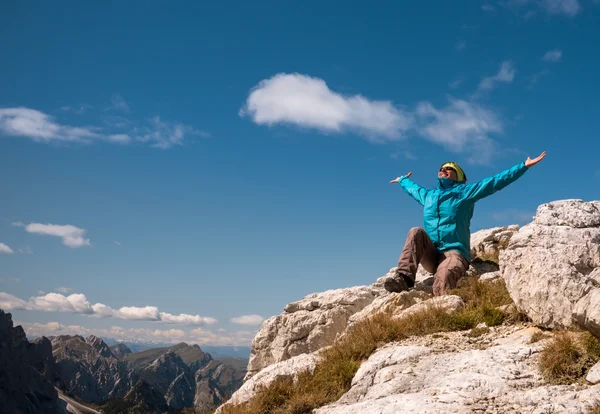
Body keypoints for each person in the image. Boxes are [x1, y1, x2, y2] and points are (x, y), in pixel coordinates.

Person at [384, 151, 546, 296]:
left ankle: (442, 308)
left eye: (449, 169)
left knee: (444, 278)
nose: (444, 169)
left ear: (459, 177)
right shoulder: (429, 196)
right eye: (442, 168)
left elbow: (494, 182)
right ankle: (403, 279)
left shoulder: (465, 193)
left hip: (454, 253)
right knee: (416, 232)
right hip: (432, 254)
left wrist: (523, 166)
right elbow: (414, 189)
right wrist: (403, 180)